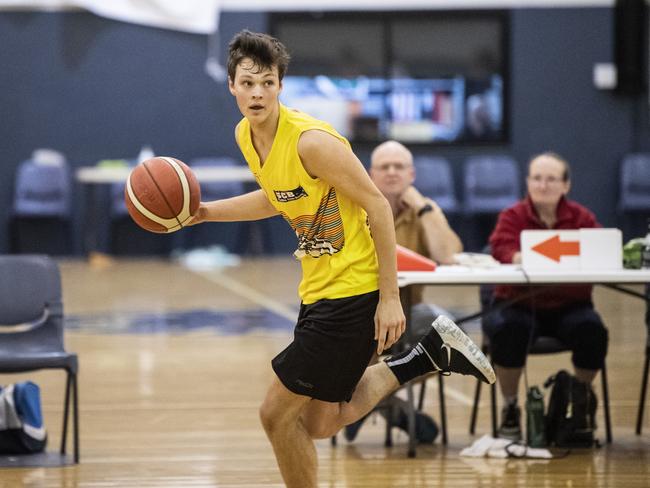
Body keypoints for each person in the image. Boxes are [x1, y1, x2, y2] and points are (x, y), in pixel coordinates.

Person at [190, 30, 495, 488]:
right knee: (318, 422)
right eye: (248, 82)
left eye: (267, 82)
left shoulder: (311, 142)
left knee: (275, 415)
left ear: (280, 86)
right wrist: (207, 213)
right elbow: (276, 198)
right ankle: (426, 355)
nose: (257, 93)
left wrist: (390, 298)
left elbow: (376, 206)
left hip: (354, 292)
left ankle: (425, 354)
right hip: (318, 291)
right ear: (231, 85)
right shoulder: (246, 135)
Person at [343, 140, 464, 443]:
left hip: (408, 315)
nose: (392, 173)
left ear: (412, 174)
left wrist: (423, 207)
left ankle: (370, 401)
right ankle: (389, 406)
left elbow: (448, 255)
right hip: (359, 312)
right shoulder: (354, 208)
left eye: (399, 167)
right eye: (385, 167)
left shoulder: (426, 210)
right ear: (371, 174)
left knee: (450, 336)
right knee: (350, 342)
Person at [484, 151, 608, 442]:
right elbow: (500, 248)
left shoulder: (582, 217)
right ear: (528, 182)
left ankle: (579, 401)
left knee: (593, 331)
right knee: (507, 331)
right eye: (537, 178)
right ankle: (511, 407)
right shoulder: (512, 216)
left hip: (571, 306)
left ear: (565, 185)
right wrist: (520, 256)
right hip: (519, 305)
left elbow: (601, 249)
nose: (542, 185)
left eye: (551, 179)